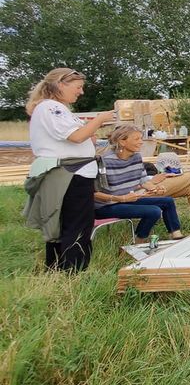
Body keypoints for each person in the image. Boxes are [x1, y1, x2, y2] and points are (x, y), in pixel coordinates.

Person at [24, 68, 116, 272]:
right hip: (70, 175)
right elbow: (75, 137)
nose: (81, 92)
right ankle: (74, 270)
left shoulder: (58, 109)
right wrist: (99, 120)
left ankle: (57, 269)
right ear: (60, 84)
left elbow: (77, 137)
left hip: (74, 173)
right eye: (78, 87)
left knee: (64, 223)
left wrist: (89, 135)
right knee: (77, 224)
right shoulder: (51, 108)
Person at [94, 126, 186, 245]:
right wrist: (121, 198)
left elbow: (143, 181)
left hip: (125, 200)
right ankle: (138, 242)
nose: (141, 142)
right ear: (122, 141)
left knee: (167, 201)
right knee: (154, 211)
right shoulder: (104, 161)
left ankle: (176, 237)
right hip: (104, 206)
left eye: (141, 138)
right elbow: (93, 194)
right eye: (136, 139)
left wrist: (155, 188)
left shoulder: (136, 157)